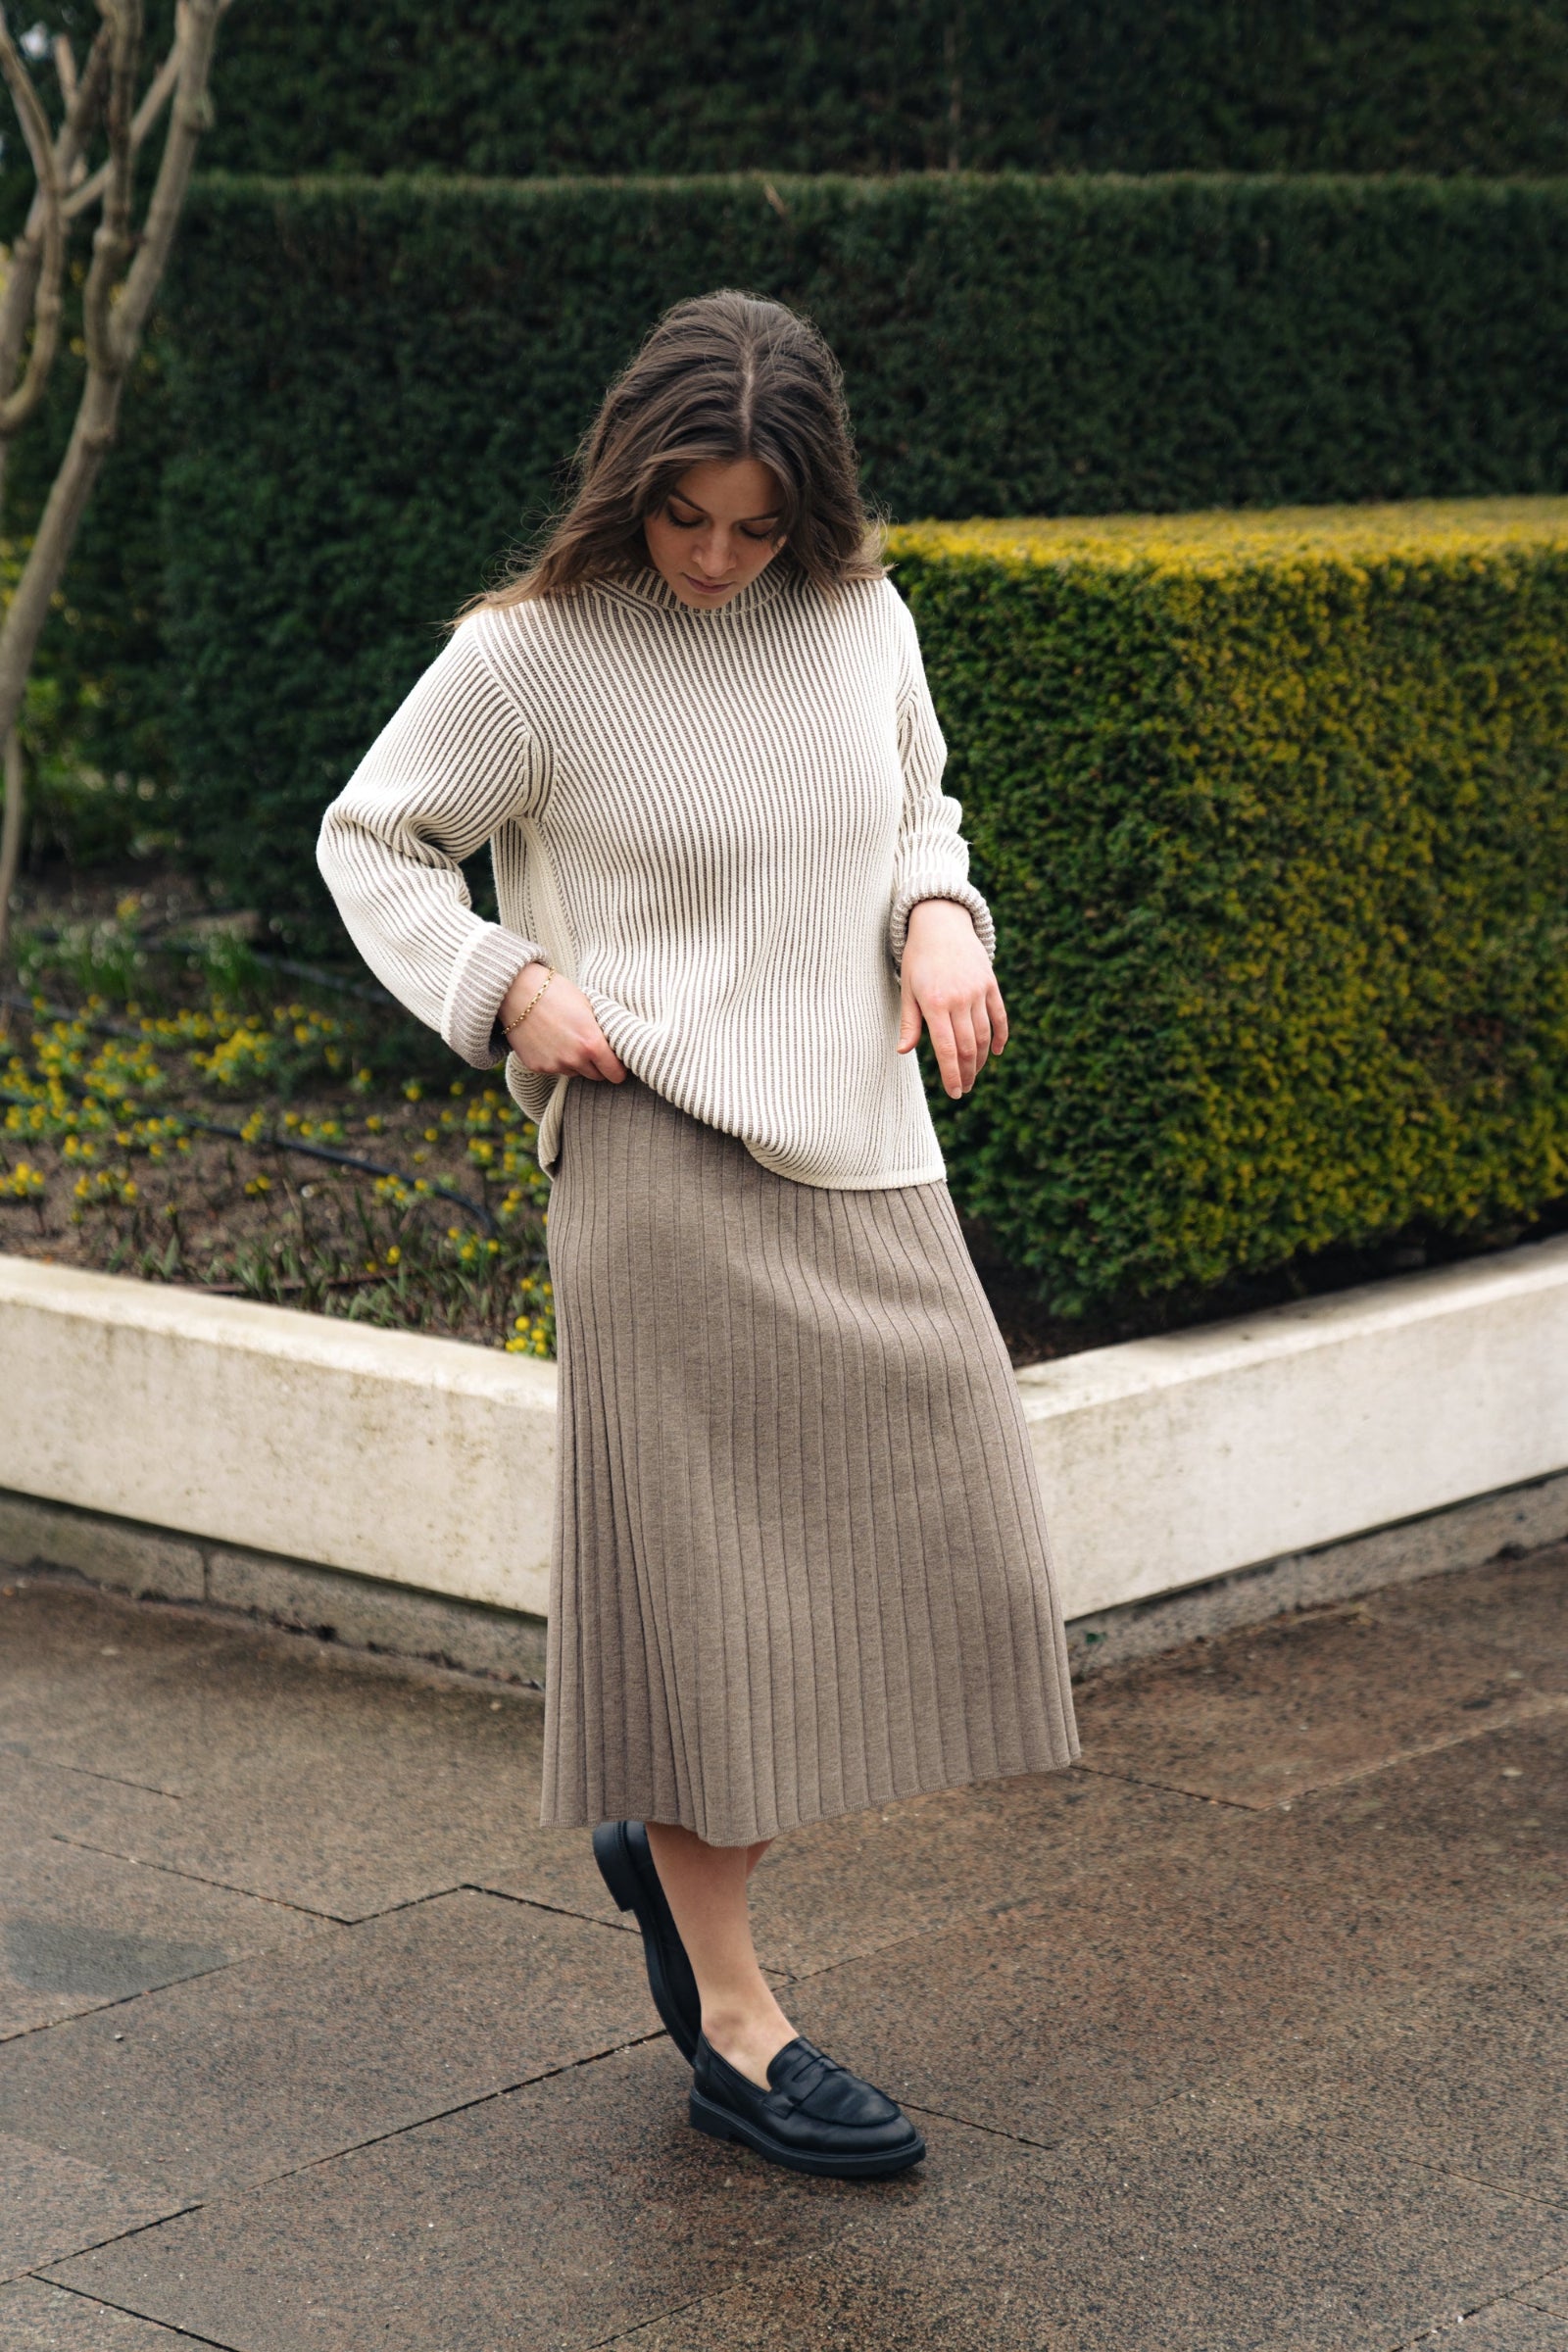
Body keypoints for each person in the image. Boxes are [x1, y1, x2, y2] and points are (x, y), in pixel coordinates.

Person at [318, 288, 1080, 2181]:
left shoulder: (860, 618)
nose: (720, 562)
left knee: (965, 1529)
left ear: (809, 506)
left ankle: (659, 1838)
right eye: (685, 520)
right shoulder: (534, 652)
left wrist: (941, 915)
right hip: (655, 1157)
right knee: (715, 1617)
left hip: (862, 1143)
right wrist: (505, 984)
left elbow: (916, 803)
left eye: (756, 525)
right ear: (628, 486)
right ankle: (735, 2019)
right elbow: (372, 837)